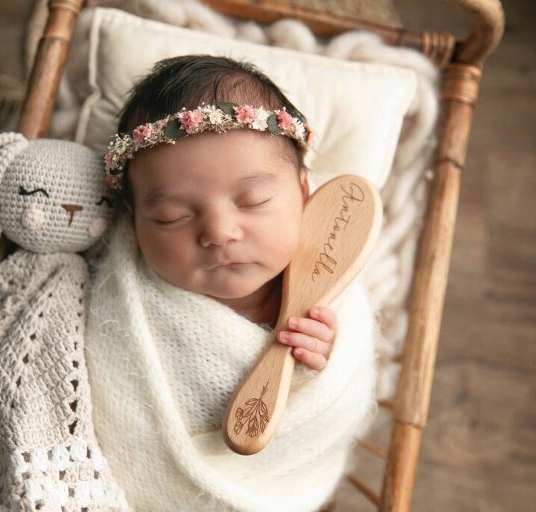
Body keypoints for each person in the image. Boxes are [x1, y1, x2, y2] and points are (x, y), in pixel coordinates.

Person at [84, 54, 378, 511]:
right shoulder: (125, 296)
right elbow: (100, 392)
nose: (219, 232)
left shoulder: (330, 284)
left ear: (303, 194)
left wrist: (323, 360)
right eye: (172, 216)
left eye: (254, 200)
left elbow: (340, 393)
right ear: (134, 220)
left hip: (270, 486)